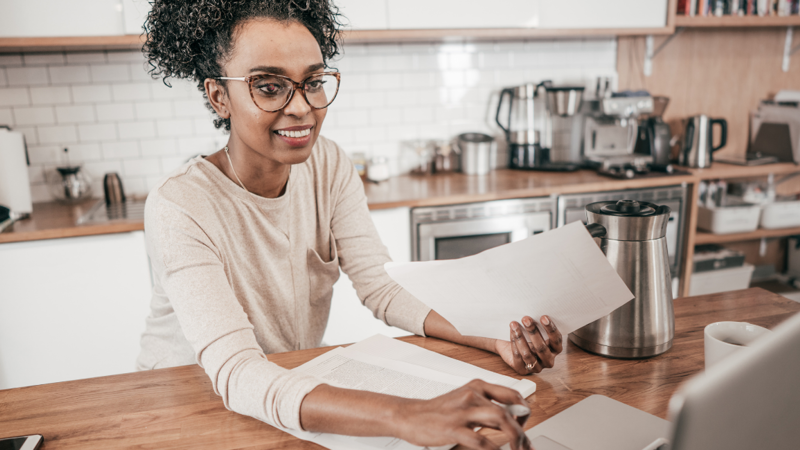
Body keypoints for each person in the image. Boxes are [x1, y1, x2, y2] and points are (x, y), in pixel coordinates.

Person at [137, 1, 562, 449]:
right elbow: (237, 371)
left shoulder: (328, 163)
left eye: (313, 82)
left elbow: (382, 287)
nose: (301, 107)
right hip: (188, 404)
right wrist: (407, 416)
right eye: (268, 86)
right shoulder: (181, 204)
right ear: (218, 96)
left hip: (285, 392)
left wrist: (494, 335)